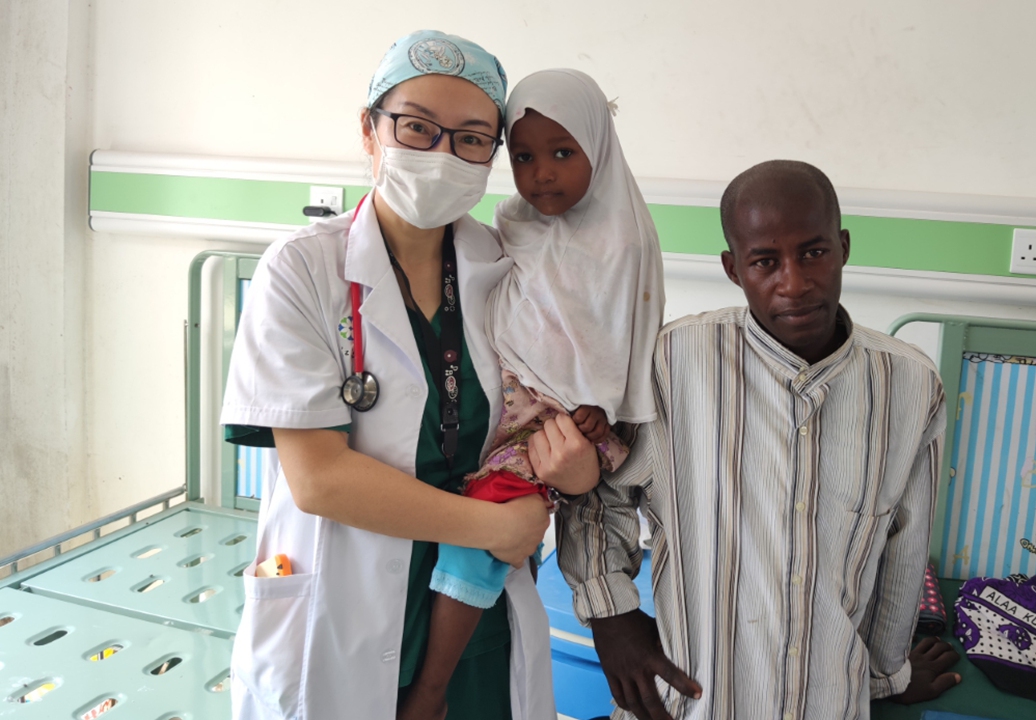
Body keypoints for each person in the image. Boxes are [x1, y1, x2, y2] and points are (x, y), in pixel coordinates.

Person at [220, 31, 599, 720]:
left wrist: (574, 471)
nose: (442, 154)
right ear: (370, 130)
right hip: (343, 607)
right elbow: (320, 480)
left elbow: (547, 421)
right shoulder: (301, 270)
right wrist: (494, 526)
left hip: (477, 619)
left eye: (472, 139)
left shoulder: (509, 269)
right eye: (418, 127)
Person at [557, 160, 962, 719]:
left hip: (826, 702)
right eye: (765, 262)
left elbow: (903, 546)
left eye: (814, 252)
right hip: (693, 699)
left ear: (843, 247)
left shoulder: (911, 386)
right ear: (733, 268)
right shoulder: (671, 365)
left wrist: (885, 675)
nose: (794, 283)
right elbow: (599, 496)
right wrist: (613, 618)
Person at [400, 68, 665, 719]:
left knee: (483, 533)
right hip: (503, 402)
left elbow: (619, 338)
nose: (541, 173)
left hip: (562, 423)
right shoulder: (509, 224)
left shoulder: (621, 240)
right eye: (522, 157)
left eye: (563, 153)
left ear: (598, 149)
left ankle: (430, 687)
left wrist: (596, 406)